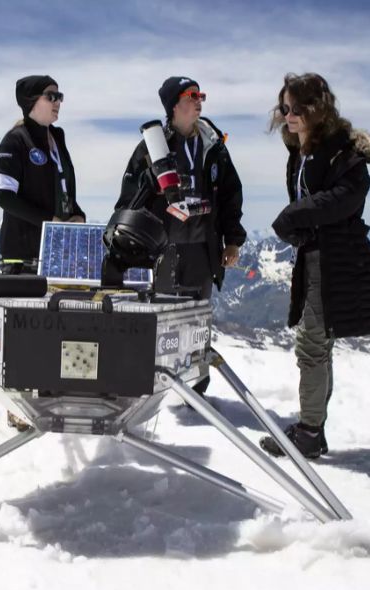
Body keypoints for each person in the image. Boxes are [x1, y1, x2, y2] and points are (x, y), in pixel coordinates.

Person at [259, 73, 370, 459]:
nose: (289, 115)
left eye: (298, 109)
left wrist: (295, 215)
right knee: (318, 341)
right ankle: (312, 427)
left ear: (318, 109)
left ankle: (309, 432)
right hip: (318, 255)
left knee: (312, 342)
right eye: (285, 108)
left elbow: (346, 197)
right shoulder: (300, 151)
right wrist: (299, 227)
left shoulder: (340, 150)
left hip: (337, 259)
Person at [117, 76, 246, 396]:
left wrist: (233, 240)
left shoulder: (213, 145)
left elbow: (231, 194)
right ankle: (154, 388)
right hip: (163, 250)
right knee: (159, 322)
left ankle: (196, 392)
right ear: (173, 105)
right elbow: (128, 200)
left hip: (203, 249)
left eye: (201, 94)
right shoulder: (152, 146)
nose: (200, 100)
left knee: (197, 324)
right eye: (192, 95)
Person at [0, 75, 86, 274]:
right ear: (31, 101)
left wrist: (77, 214)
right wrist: (49, 221)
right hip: (23, 259)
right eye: (51, 96)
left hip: (56, 253)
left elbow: (63, 188)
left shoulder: (57, 138)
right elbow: (4, 197)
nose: (58, 102)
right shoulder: (15, 140)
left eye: (59, 96)